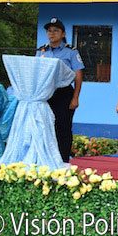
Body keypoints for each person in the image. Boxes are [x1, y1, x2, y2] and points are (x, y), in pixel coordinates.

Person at [36, 17, 84, 163]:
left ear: (63, 34)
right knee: (44, 126)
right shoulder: (41, 51)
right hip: (45, 93)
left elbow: (78, 75)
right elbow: (36, 71)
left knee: (63, 127)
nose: (52, 33)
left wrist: (75, 97)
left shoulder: (71, 52)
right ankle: (45, 160)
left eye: (56, 31)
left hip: (63, 93)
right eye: (49, 31)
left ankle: (63, 160)